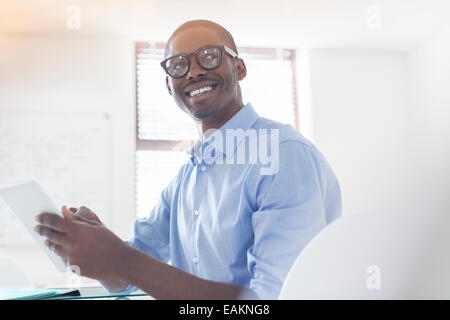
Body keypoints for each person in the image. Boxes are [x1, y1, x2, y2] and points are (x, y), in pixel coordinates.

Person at [34, 19, 342, 300]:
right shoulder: (187, 177)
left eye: (209, 56)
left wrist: (121, 259)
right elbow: (126, 279)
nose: (193, 71)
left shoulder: (283, 155)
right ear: (169, 85)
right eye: (178, 65)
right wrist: (96, 249)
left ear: (240, 69)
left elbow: (268, 302)